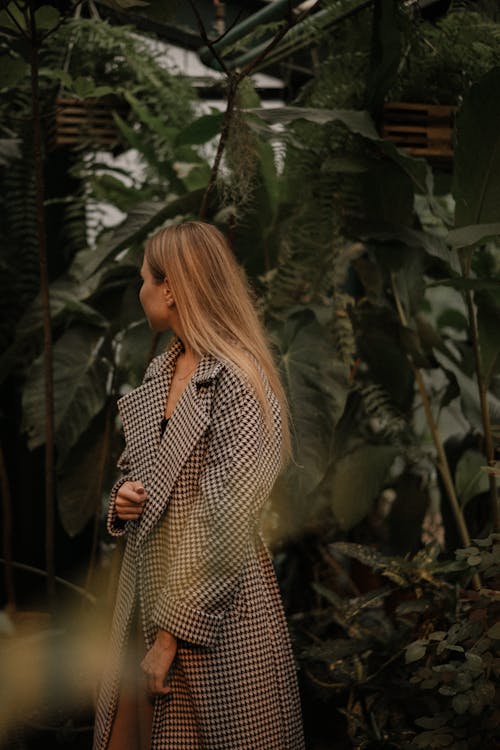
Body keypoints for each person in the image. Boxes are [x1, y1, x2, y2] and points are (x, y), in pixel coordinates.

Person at [93, 221, 305, 750]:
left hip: (215, 616)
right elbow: (138, 472)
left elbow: (227, 516)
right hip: (143, 602)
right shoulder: (160, 375)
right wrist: (121, 501)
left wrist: (171, 636)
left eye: (144, 279)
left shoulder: (239, 379)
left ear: (169, 288)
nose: (140, 291)